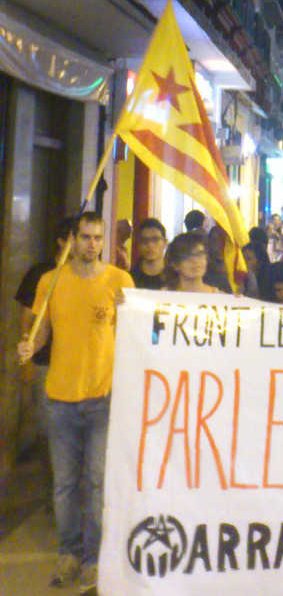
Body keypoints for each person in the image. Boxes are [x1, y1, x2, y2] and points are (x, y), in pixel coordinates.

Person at [17, 212, 134, 593]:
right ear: (72, 240)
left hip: (102, 397)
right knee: (65, 484)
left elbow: (136, 333)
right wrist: (29, 345)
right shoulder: (50, 282)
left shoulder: (120, 281)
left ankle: (93, 559)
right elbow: (42, 332)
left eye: (98, 237)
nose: (92, 244)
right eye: (85, 237)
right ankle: (68, 553)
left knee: (96, 483)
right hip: (59, 398)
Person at [15, 217, 76, 452]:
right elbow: (26, 316)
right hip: (45, 359)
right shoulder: (40, 273)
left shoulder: (84, 275)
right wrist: (28, 358)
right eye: (77, 238)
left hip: (75, 361)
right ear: (61, 241)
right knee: (48, 425)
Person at [130, 217, 168, 290]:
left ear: (165, 242)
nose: (150, 245)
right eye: (144, 240)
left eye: (155, 239)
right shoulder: (129, 278)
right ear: (138, 243)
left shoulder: (175, 278)